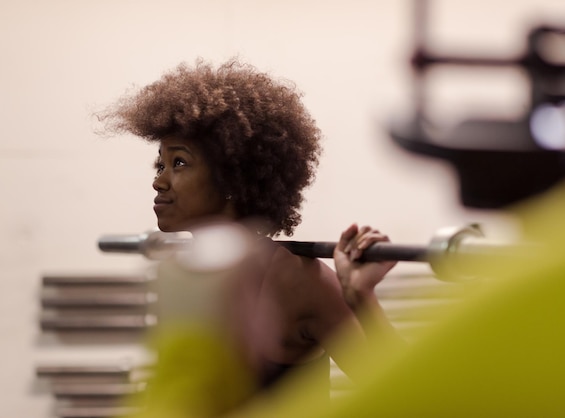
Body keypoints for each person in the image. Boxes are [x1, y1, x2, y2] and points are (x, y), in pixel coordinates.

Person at [97, 58, 401, 413]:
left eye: (179, 162)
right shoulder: (187, 274)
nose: (159, 180)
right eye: (160, 164)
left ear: (230, 178)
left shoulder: (300, 280)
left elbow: (405, 397)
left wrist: (360, 296)